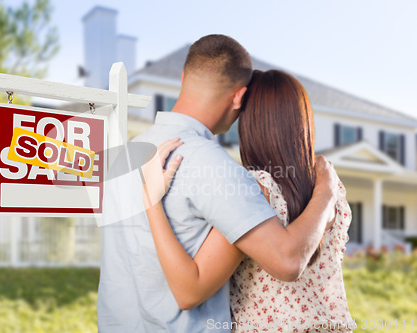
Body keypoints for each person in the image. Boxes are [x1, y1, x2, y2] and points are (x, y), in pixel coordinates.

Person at [97, 34, 338, 333]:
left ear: (184, 77)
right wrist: (326, 192)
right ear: (239, 97)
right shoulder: (213, 166)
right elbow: (288, 261)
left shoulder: (125, 157)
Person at [141, 70, 354, 332]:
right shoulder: (331, 185)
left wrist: (152, 201)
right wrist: (326, 193)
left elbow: (189, 290)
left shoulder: (256, 188)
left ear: (251, 124)